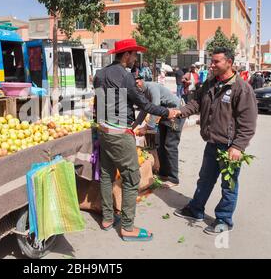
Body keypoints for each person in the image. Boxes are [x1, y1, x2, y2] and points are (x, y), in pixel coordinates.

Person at [93, 38, 177, 242]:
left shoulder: (100, 73)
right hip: (120, 134)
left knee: (106, 174)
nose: (135, 59)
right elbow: (145, 105)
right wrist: (168, 111)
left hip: (103, 130)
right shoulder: (125, 76)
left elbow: (99, 103)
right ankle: (127, 227)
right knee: (132, 179)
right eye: (134, 55)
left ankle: (106, 218)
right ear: (126, 54)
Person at [173, 47, 258, 235]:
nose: (211, 65)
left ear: (229, 62)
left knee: (229, 185)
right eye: (211, 61)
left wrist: (237, 146)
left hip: (230, 147)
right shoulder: (211, 83)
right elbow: (197, 102)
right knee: (205, 180)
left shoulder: (242, 89)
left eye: (216, 61)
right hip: (212, 142)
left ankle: (224, 220)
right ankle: (196, 210)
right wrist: (181, 112)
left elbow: (248, 123)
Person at [133, 75, 185, 188]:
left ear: (141, 81)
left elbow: (155, 107)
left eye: (137, 83)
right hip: (165, 114)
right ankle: (163, 173)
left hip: (176, 113)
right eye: (134, 85)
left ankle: (173, 178)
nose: (137, 86)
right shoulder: (143, 93)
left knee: (170, 145)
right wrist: (134, 126)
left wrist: (146, 127)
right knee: (160, 144)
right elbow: (145, 110)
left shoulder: (152, 87)